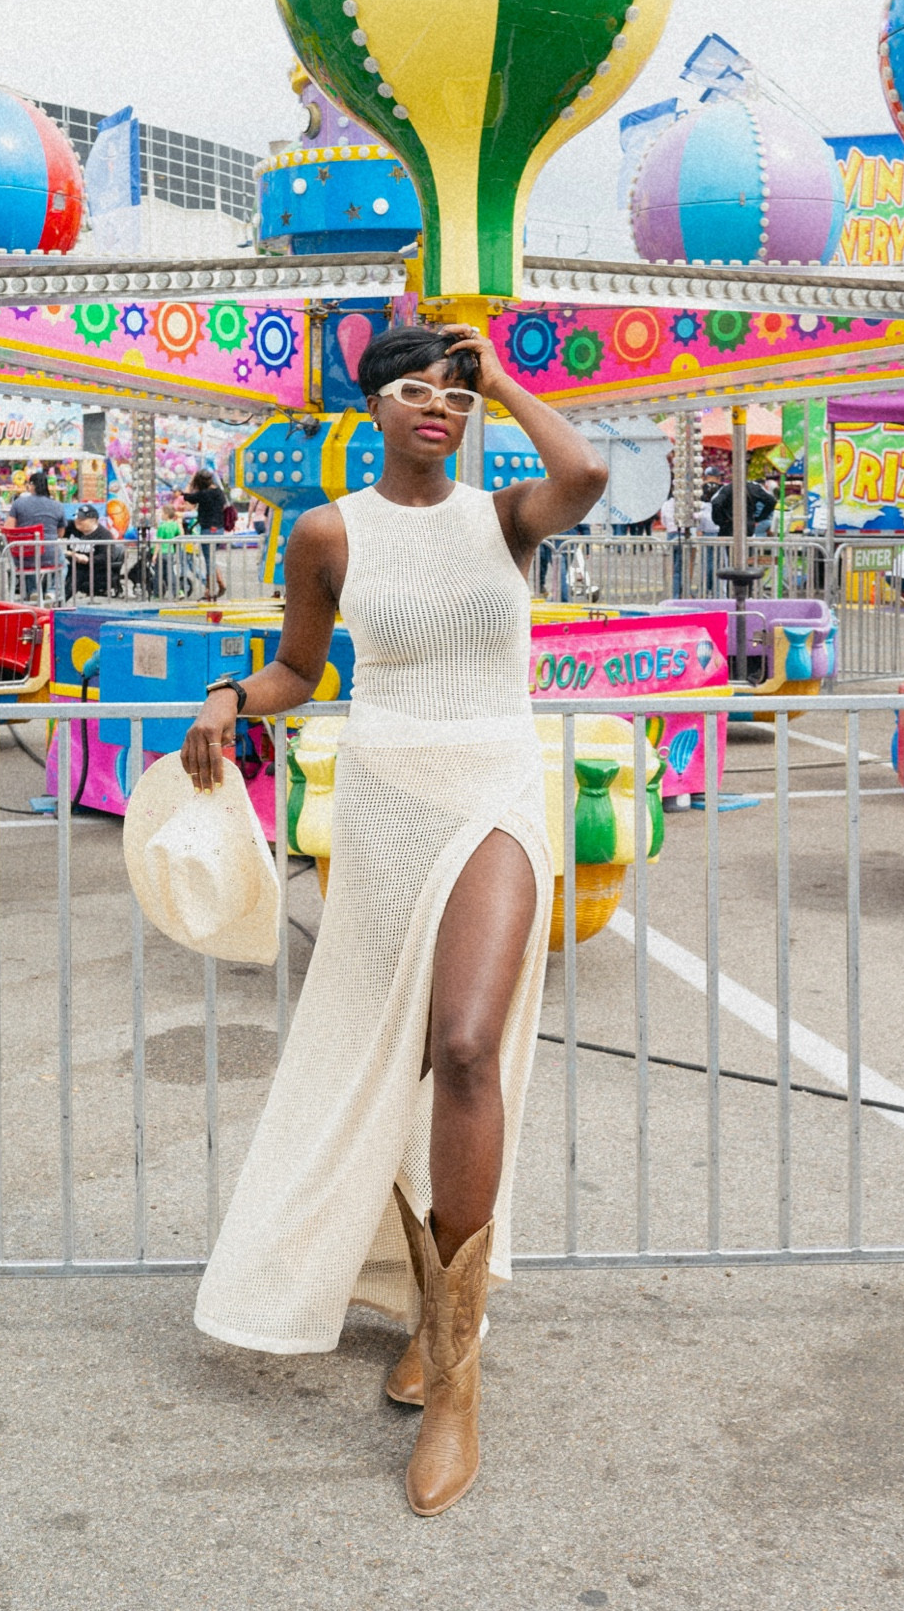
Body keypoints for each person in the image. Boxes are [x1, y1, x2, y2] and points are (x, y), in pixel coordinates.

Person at [181, 323, 606, 1517]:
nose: (438, 406)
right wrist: (227, 696)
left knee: (466, 1043)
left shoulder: (504, 515)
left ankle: (458, 1376)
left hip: (492, 790)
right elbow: (301, 675)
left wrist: (502, 377)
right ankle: (419, 1309)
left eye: (452, 391)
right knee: (392, 1064)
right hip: (381, 801)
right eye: (413, 388)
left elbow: (585, 477)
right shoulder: (327, 531)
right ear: (370, 404)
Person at [187, 468, 228, 601]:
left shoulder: (204, 494)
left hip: (207, 530)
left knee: (209, 560)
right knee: (212, 558)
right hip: (219, 529)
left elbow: (188, 497)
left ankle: (210, 591)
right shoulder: (219, 492)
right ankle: (220, 583)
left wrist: (190, 482)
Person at [64, 503, 121, 597]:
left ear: (93, 520)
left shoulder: (104, 535)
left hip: (96, 572)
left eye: (82, 519)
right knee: (59, 569)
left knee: (78, 573)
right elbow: (59, 527)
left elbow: (107, 557)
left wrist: (88, 560)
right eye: (77, 517)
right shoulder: (72, 527)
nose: (77, 521)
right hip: (73, 566)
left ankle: (59, 603)